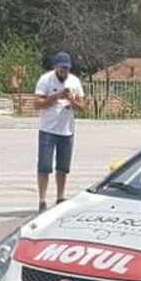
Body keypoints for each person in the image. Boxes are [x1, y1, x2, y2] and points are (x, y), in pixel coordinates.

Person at [34, 52, 86, 211]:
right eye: (62, 68)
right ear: (55, 67)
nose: (65, 71)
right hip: (48, 130)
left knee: (63, 168)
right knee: (44, 166)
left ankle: (60, 197)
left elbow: (82, 107)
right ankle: (42, 200)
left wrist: (71, 100)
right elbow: (37, 104)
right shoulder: (46, 79)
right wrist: (56, 96)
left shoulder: (75, 81)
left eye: (67, 68)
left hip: (67, 131)